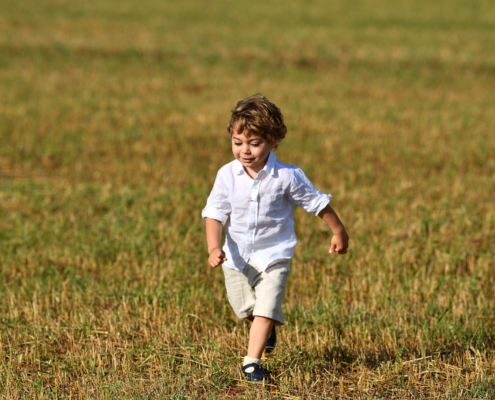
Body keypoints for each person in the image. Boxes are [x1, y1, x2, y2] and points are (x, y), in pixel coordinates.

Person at [202, 94, 349, 383]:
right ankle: (265, 329)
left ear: (273, 141)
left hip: (274, 255)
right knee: (243, 308)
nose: (245, 150)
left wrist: (338, 230)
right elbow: (215, 212)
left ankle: (251, 363)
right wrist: (213, 247)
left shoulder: (287, 176)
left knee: (266, 306)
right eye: (237, 142)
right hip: (236, 257)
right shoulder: (226, 175)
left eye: (254, 143)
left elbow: (317, 203)